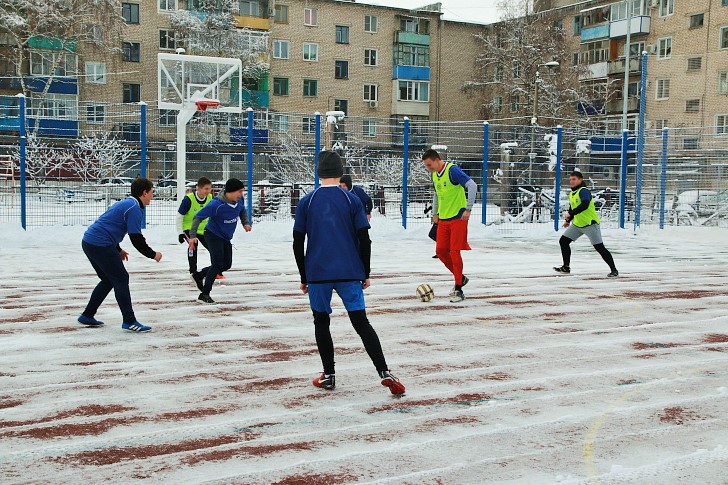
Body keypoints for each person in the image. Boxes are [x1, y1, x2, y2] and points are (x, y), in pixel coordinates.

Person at [293, 151, 405, 396]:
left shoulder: (307, 201)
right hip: (349, 271)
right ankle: (384, 371)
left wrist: (303, 276)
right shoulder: (352, 200)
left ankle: (329, 375)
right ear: (340, 172)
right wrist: (365, 271)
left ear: (318, 172)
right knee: (361, 322)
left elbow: (297, 240)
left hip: (318, 273)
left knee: (321, 322)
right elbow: (365, 239)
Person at [78, 177, 162, 333]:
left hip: (90, 242)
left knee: (108, 279)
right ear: (144, 193)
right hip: (99, 244)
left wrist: (117, 249)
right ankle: (129, 321)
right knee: (121, 278)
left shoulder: (127, 204)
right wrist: (153, 255)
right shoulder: (134, 207)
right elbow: (136, 238)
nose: (152, 196)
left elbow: (108, 225)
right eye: (152, 192)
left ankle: (87, 315)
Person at [422, 149, 478, 303]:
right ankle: (461, 278)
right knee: (440, 251)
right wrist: (435, 213)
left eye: (429, 165)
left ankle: (458, 289)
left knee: (454, 252)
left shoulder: (452, 170)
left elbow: (472, 186)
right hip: (444, 219)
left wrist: (468, 209)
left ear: (437, 160)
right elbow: (437, 194)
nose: (428, 168)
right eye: (426, 166)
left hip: (458, 217)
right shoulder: (434, 175)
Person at [188, 178, 251, 303]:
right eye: (239, 191)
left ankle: (199, 275)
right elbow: (197, 217)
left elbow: (242, 210)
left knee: (226, 265)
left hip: (225, 237)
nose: (241, 194)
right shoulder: (216, 205)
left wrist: (246, 223)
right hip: (212, 235)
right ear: (230, 192)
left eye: (242, 191)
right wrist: (192, 236)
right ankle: (204, 294)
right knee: (217, 264)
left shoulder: (239, 201)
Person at [554, 171, 619, 277]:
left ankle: (614, 270)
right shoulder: (572, 193)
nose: (571, 181)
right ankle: (566, 267)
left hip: (590, 224)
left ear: (580, 180)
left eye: (574, 179)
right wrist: (568, 221)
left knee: (599, 248)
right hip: (578, 225)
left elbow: (585, 204)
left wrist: (571, 213)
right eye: (570, 179)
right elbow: (573, 208)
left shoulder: (583, 191)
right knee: (563, 241)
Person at [177, 177, 213, 275]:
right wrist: (180, 233)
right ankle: (193, 270)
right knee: (193, 244)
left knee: (213, 247)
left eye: (210, 188)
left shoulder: (210, 198)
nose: (209, 191)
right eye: (206, 189)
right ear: (199, 188)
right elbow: (180, 216)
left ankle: (215, 268)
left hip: (203, 228)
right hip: (189, 227)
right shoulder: (188, 199)